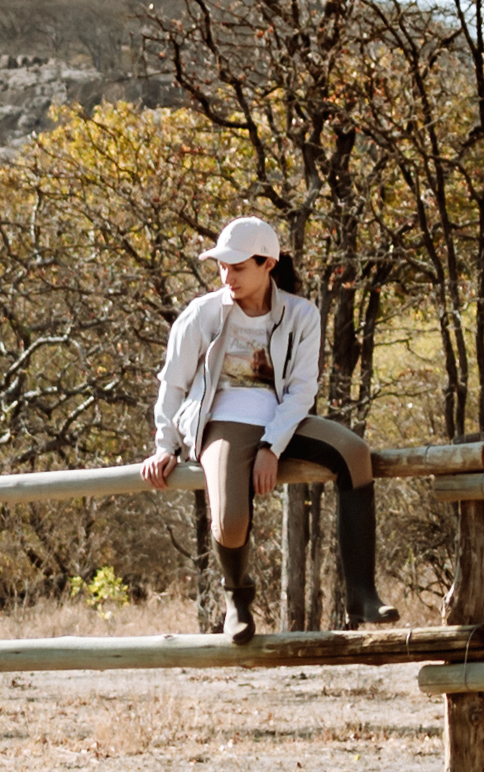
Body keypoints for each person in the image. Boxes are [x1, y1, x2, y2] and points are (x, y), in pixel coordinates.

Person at [142, 214, 389, 641]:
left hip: (280, 419)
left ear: (267, 264)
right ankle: (237, 598)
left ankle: (362, 593)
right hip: (222, 420)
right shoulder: (202, 313)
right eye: (222, 266)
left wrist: (272, 446)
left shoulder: (301, 315)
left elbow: (301, 389)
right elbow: (173, 382)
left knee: (354, 452)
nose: (227, 276)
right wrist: (167, 446)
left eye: (238, 267)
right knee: (232, 521)